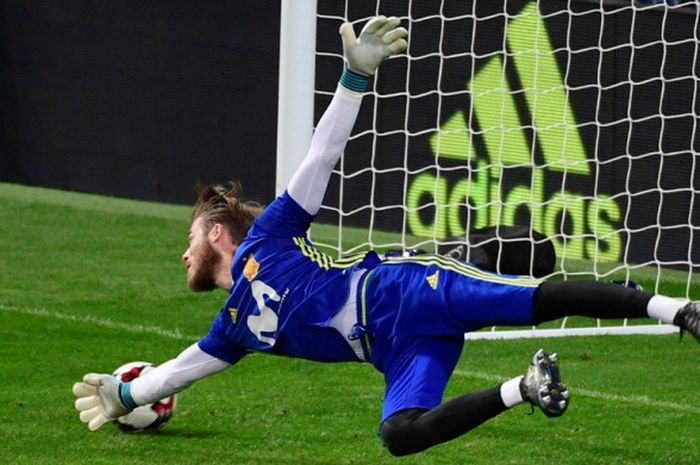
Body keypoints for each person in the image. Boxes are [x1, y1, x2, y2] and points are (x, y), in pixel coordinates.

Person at [73, 16, 700, 457]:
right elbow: (179, 372)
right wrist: (125, 391)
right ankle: (526, 388)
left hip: (411, 292)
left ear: (216, 233)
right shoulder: (231, 330)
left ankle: (680, 309)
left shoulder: (270, 237)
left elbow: (320, 157)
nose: (182, 253)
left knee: (537, 301)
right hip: (397, 352)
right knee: (400, 435)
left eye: (188, 240)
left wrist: (352, 79)